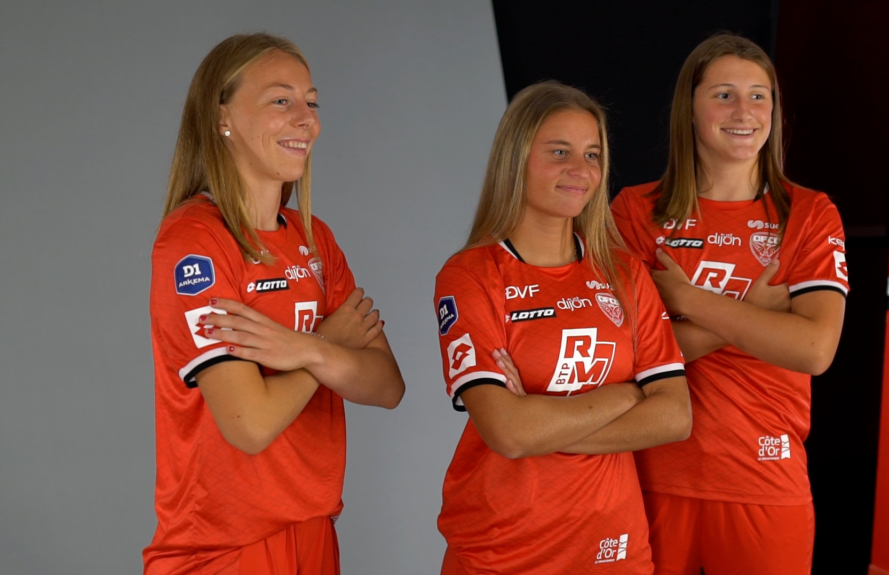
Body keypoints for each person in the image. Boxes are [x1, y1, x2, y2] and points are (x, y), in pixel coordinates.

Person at [144, 33, 405, 575]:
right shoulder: (194, 242)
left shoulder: (314, 238)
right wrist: (326, 347)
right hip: (223, 549)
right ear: (223, 118)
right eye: (281, 100)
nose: (306, 118)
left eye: (311, 102)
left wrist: (303, 350)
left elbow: (386, 386)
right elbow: (250, 422)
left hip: (313, 532)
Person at [610, 34, 849, 575]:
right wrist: (754, 313)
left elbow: (813, 348)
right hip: (651, 475)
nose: (744, 111)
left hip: (764, 479)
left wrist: (688, 301)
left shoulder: (808, 214)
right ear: (689, 110)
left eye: (759, 96)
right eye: (723, 95)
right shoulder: (635, 212)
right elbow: (624, 358)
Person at [432, 81, 692, 575]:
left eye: (592, 154)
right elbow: (507, 434)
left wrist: (542, 422)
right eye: (559, 152)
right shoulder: (470, 275)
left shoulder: (624, 273)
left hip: (612, 545)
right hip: (504, 548)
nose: (581, 170)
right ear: (516, 159)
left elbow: (674, 416)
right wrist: (624, 395)